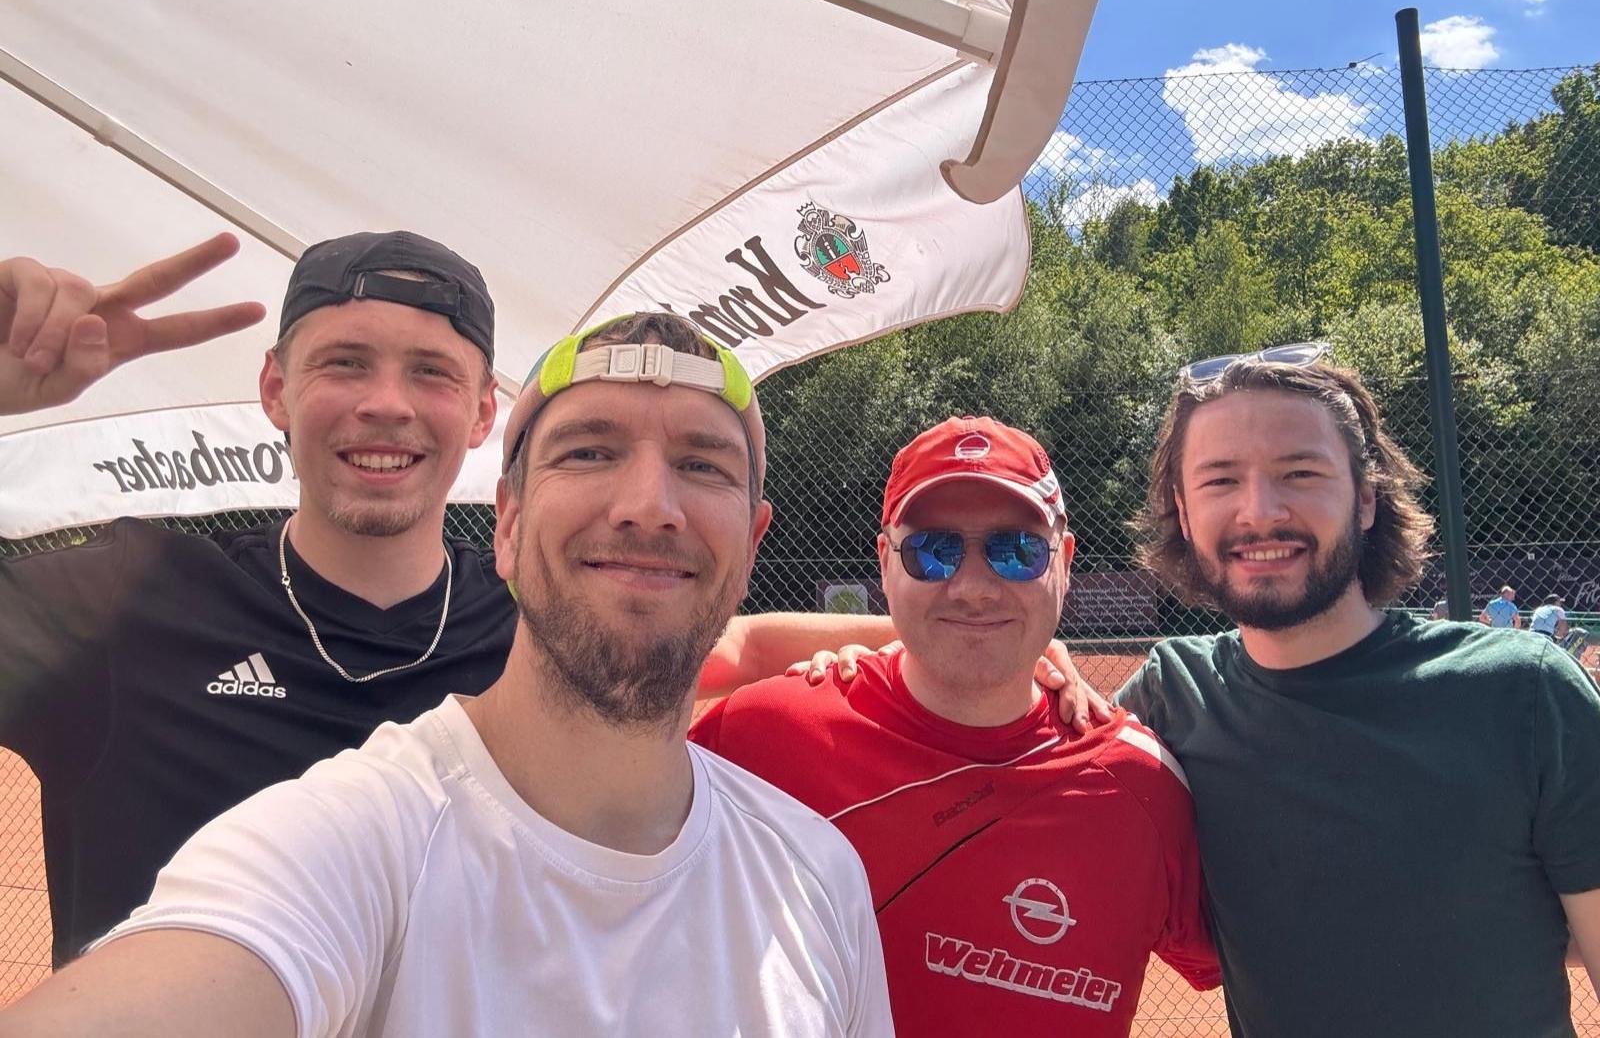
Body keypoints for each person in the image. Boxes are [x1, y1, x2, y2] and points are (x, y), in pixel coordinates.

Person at [0, 234, 893, 966]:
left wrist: (945, 639)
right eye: (345, 363)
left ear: (479, 414)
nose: (387, 404)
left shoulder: (542, 622)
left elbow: (734, 643)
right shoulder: (119, 600)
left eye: (431, 371)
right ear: (275, 388)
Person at [1108, 344, 1600, 1037]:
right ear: (1184, 516)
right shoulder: (1170, 698)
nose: (1259, 510)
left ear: (1366, 499)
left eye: (1299, 472)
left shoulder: (1525, 692)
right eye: (1221, 480)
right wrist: (1036, 668)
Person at [691, 416, 1219, 1036]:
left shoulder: (1143, 787)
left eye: (1016, 551)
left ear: (1064, 562)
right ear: (885, 562)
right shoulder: (761, 738)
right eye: (932, 552)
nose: (972, 589)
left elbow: (1273, 977)